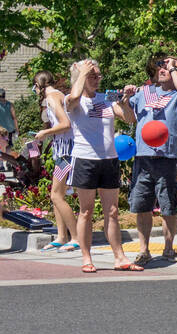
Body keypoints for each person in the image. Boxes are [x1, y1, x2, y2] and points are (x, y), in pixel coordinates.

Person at [66, 59, 139, 272]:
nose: (97, 80)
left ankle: (120, 257)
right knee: (86, 211)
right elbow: (73, 100)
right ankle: (86, 257)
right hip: (85, 159)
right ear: (80, 78)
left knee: (113, 210)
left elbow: (129, 119)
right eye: (92, 76)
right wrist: (81, 74)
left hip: (109, 159)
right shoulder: (73, 100)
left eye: (98, 75)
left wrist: (125, 100)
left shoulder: (106, 99)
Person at [126, 53, 177, 265]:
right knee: (142, 205)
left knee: (168, 206)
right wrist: (126, 99)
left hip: (167, 157)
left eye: (169, 66)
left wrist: (174, 68)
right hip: (143, 157)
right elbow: (128, 118)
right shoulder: (143, 92)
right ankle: (144, 250)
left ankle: (169, 248)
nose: (163, 68)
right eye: (160, 65)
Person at [32, 71, 77, 252]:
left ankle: (75, 237)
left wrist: (45, 133)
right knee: (57, 194)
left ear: (38, 85)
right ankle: (61, 235)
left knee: (56, 195)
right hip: (63, 151)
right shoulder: (59, 94)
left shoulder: (51, 98)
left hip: (66, 152)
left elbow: (65, 123)